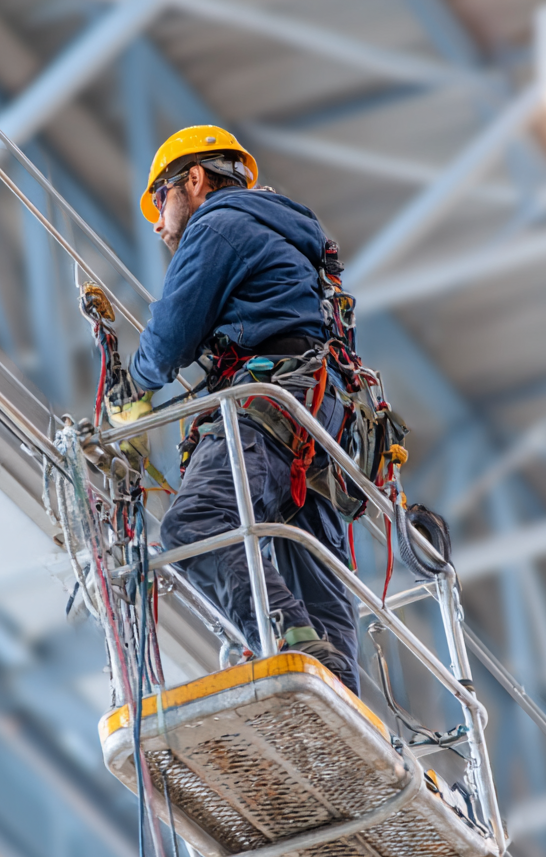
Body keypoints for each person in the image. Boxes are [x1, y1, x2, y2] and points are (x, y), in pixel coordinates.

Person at [106, 125, 360, 693]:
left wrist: (132, 390)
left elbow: (168, 340)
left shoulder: (217, 224)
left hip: (269, 408)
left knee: (197, 524)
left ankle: (284, 640)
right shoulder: (289, 237)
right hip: (317, 423)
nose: (157, 222)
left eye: (160, 199)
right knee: (312, 569)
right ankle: (338, 691)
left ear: (193, 180)